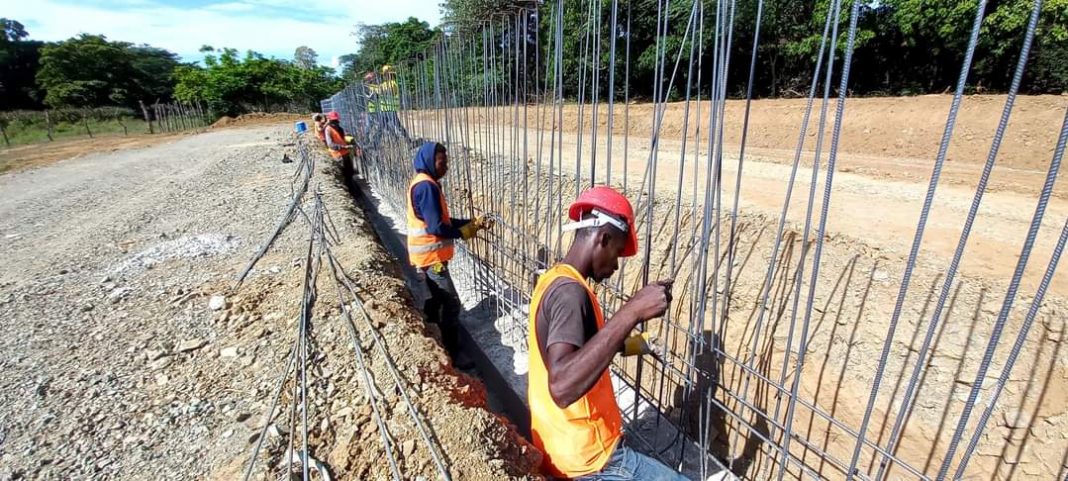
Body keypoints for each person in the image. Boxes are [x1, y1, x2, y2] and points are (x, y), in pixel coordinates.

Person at [527, 186, 684, 480]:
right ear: (603, 238)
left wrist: (639, 343)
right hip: (591, 460)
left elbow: (587, 344)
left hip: (559, 446)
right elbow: (561, 387)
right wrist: (632, 311)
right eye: (617, 254)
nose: (614, 266)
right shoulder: (570, 294)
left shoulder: (555, 279)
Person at [406, 142, 493, 369]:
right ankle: (453, 354)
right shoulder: (427, 187)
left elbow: (443, 221)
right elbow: (437, 228)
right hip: (431, 258)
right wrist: (463, 233)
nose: (445, 167)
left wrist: (471, 223)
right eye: (441, 162)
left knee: (435, 300)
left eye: (446, 162)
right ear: (429, 162)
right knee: (451, 303)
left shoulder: (426, 184)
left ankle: (431, 339)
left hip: (427, 258)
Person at [377, 65, 411, 143]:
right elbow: (378, 93)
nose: (385, 76)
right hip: (383, 110)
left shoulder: (393, 83)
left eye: (387, 74)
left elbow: (390, 92)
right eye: (385, 74)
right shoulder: (383, 84)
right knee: (381, 127)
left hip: (391, 109)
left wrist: (381, 92)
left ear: (390, 74)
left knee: (397, 126)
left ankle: (408, 140)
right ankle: (375, 144)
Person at [322, 111, 356, 181]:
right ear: (329, 121)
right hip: (338, 156)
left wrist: (350, 140)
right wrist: (344, 147)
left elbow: (342, 138)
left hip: (345, 154)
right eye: (333, 121)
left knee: (350, 172)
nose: (335, 123)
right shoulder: (328, 130)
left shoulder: (339, 128)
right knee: (344, 175)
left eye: (336, 121)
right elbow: (330, 145)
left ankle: (352, 186)